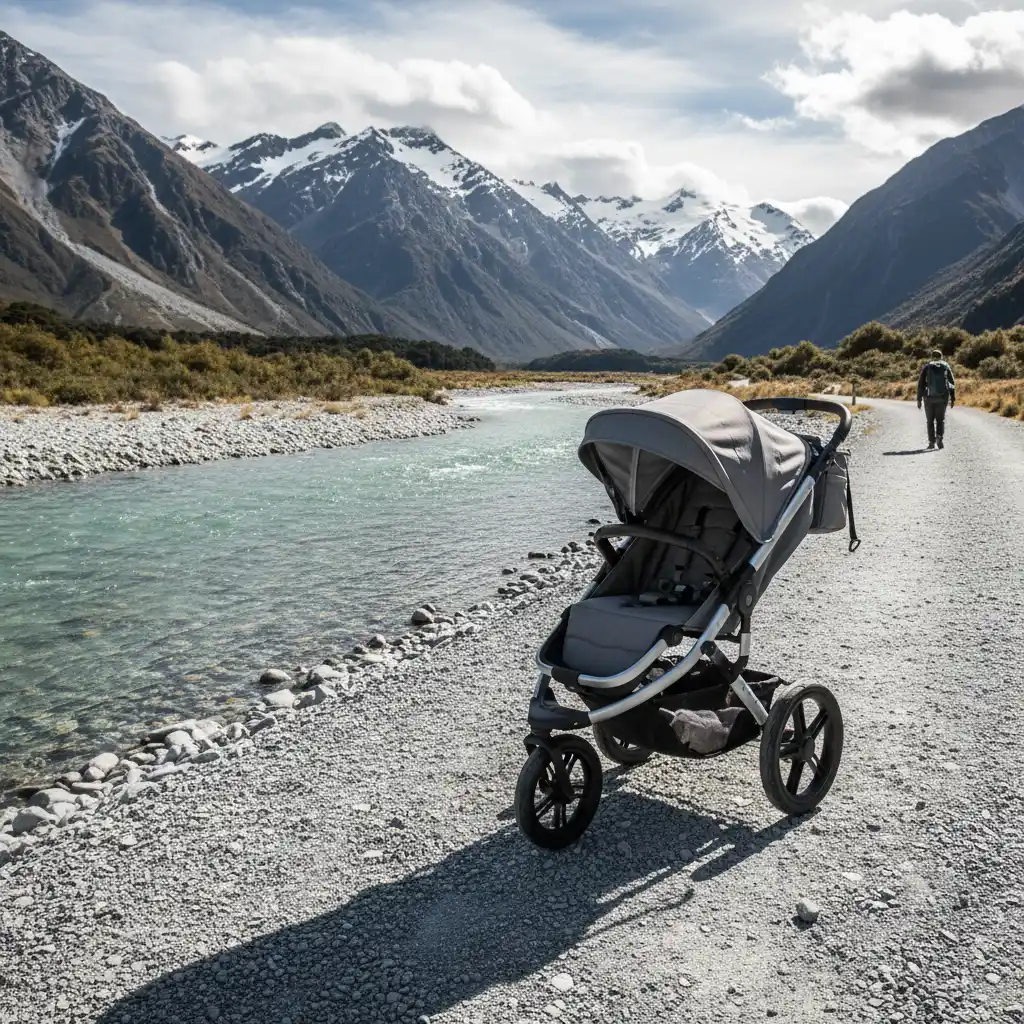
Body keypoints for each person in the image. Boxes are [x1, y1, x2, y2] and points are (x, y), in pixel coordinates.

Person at [916, 348, 955, 449]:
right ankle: (939, 438)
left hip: (929, 398)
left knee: (930, 421)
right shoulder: (946, 366)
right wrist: (953, 398)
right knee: (940, 420)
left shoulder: (927, 367)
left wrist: (919, 399)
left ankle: (931, 442)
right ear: (941, 357)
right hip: (942, 398)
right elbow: (951, 382)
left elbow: (920, 384)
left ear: (932, 357)